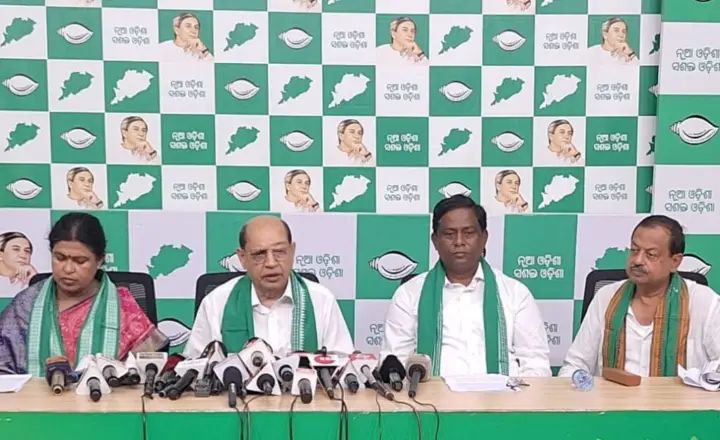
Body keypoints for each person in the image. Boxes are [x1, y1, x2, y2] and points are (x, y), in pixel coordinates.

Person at [382, 195, 551, 377]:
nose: (459, 242)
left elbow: (535, 363)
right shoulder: (409, 294)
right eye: (449, 234)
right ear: (435, 241)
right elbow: (395, 363)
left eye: (468, 233)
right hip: (430, 395)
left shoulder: (515, 293)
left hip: (503, 394)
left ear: (484, 238)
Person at [0, 213, 168, 375]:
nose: (68, 269)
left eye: (80, 261)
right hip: (34, 395)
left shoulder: (122, 306)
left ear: (100, 260)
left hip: (108, 395)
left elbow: (147, 372)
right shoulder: (26, 304)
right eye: (60, 258)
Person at [559, 215, 720, 377]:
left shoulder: (704, 303)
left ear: (675, 262)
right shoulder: (606, 297)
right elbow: (575, 365)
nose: (637, 260)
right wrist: (578, 381)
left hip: (680, 395)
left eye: (651, 254)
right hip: (612, 394)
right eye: (634, 250)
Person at [184, 216, 354, 358]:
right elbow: (195, 369)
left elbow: (343, 367)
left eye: (279, 252)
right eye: (259, 254)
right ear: (242, 258)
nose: (271, 263)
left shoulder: (322, 300)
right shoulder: (216, 302)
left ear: (292, 251)